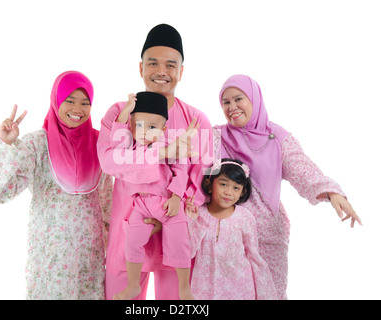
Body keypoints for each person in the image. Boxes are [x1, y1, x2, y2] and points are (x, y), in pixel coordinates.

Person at [213, 74, 362, 299]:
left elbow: (301, 168)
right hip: (227, 235)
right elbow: (189, 161)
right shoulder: (215, 136)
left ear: (254, 99)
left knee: (271, 293)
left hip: (268, 235)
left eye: (238, 99)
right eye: (226, 102)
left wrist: (332, 192)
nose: (232, 107)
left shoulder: (277, 138)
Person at [97, 24, 213, 300]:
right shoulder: (120, 114)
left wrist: (169, 210)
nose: (162, 71)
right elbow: (110, 161)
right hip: (129, 226)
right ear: (140, 68)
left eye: (170, 65)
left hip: (174, 230)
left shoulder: (197, 120)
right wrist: (160, 154)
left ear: (181, 71)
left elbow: (203, 177)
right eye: (153, 63)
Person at [0, 71, 113, 299]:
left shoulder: (99, 143)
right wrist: (6, 145)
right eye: (70, 100)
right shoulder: (37, 143)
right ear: (56, 101)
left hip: (90, 256)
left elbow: (107, 201)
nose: (78, 109)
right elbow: (3, 193)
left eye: (85, 103)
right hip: (51, 257)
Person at [110, 92, 193, 300]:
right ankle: (132, 286)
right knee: (132, 242)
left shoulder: (170, 145)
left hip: (167, 204)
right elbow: (117, 147)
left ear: (164, 129)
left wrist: (176, 198)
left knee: (179, 243)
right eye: (139, 126)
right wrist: (126, 113)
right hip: (141, 205)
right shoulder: (133, 146)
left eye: (152, 127)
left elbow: (181, 170)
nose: (145, 132)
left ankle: (184, 288)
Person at [185, 158, 278, 300]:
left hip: (240, 287)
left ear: (242, 192)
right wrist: (191, 220)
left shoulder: (245, 217)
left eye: (236, 188)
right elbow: (188, 252)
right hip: (204, 288)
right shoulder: (199, 214)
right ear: (210, 185)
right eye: (223, 184)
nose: (229, 192)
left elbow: (253, 255)